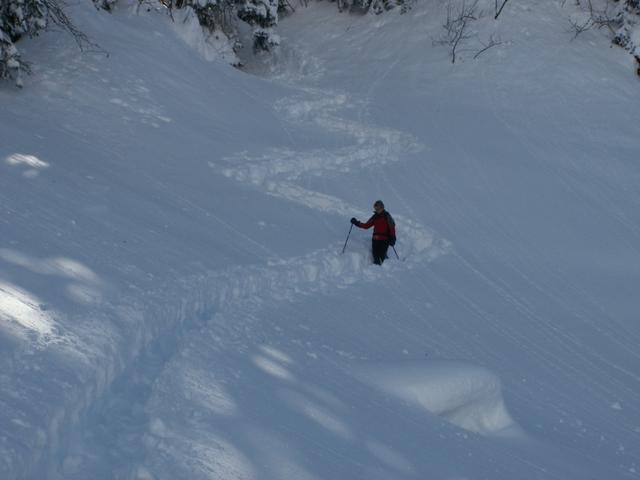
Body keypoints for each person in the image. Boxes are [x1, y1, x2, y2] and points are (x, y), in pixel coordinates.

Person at [351, 200, 396, 265]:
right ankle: (376, 270)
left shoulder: (387, 216)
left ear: (382, 207)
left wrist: (393, 238)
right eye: (376, 209)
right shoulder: (375, 217)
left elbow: (392, 227)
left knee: (382, 256)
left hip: (384, 240)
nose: (377, 210)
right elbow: (366, 226)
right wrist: (356, 223)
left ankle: (387, 268)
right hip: (375, 240)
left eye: (378, 208)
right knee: (376, 257)